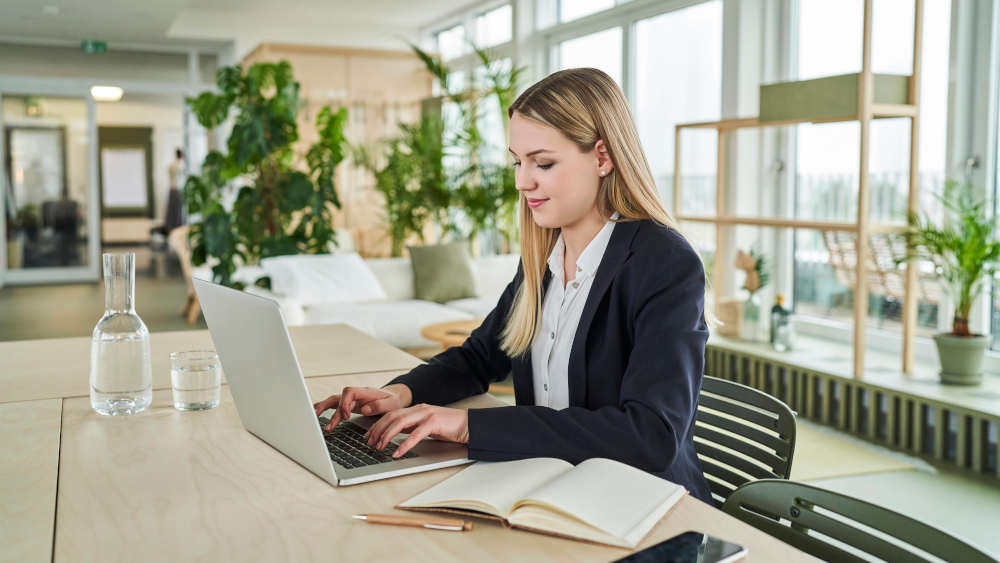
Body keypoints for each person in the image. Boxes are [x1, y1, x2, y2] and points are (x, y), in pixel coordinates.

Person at [313, 68, 713, 504]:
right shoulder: (544, 257)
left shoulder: (664, 263)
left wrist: (467, 426)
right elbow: (480, 356)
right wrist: (399, 393)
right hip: (554, 484)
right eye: (517, 162)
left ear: (602, 157)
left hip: (643, 503)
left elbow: (650, 436)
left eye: (543, 163)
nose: (523, 182)